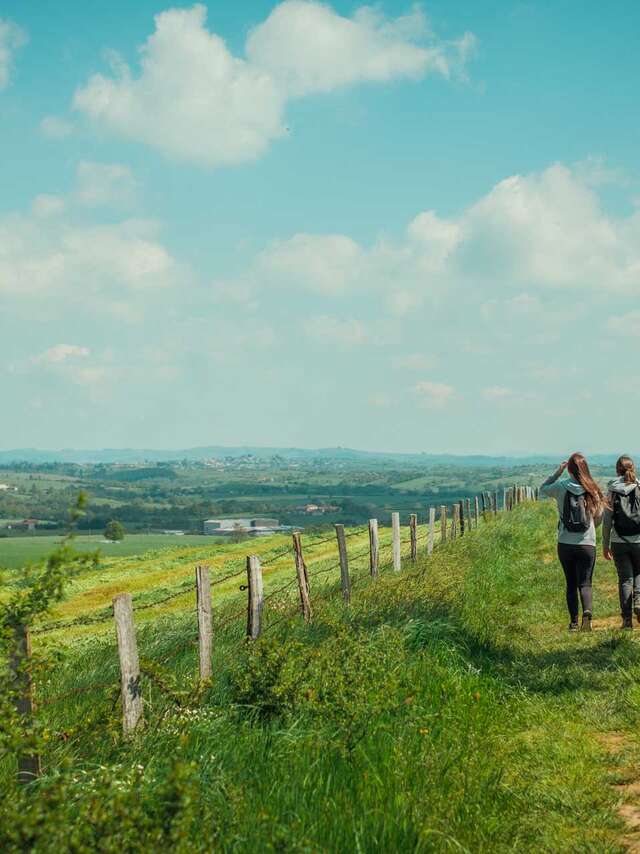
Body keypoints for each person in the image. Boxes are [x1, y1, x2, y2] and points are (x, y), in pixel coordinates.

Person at [540, 453, 606, 631]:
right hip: (587, 544)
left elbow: (543, 488)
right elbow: (600, 516)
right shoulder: (592, 489)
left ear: (569, 469)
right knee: (585, 582)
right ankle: (588, 611)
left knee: (570, 583)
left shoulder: (561, 487)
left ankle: (574, 623)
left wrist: (557, 472)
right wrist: (591, 527)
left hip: (565, 543)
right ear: (585, 469)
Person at [603, 456, 640, 629]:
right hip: (639, 540)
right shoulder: (639, 487)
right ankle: (639, 602)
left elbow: (607, 521)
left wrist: (605, 544)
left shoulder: (611, 490)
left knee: (625, 579)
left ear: (617, 469)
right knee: (639, 574)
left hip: (618, 540)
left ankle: (626, 621)